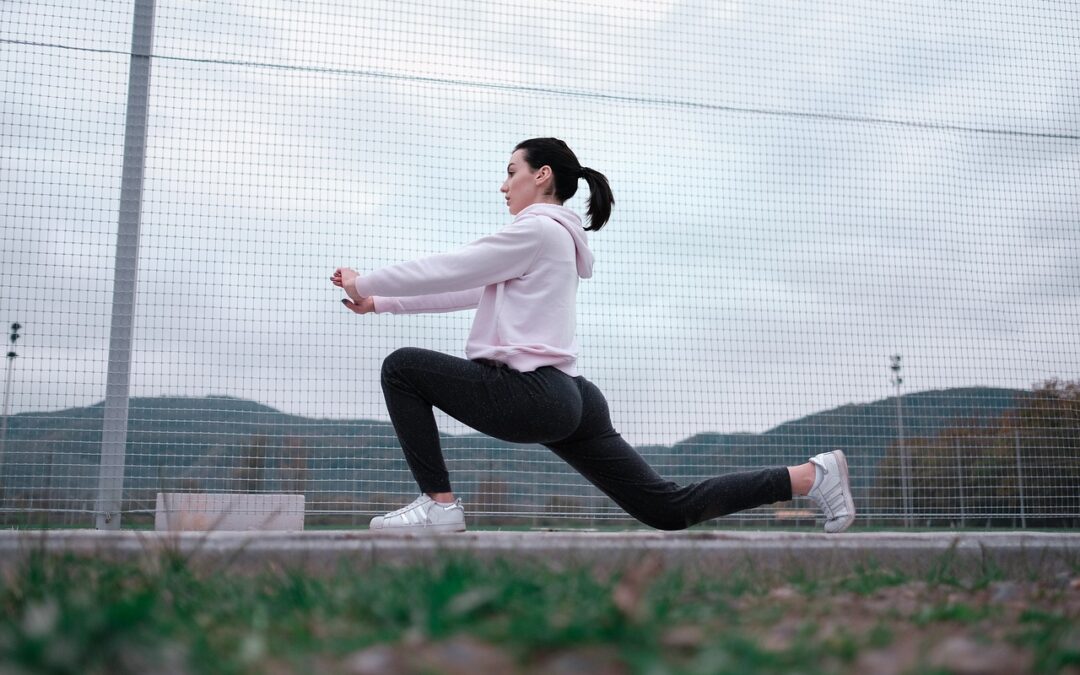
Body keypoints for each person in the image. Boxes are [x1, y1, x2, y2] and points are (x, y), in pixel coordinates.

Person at [332, 137, 855, 534]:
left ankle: (439, 506)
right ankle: (809, 476)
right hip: (573, 398)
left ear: (541, 176)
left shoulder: (535, 230)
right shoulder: (552, 239)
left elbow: (455, 268)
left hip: (531, 393)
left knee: (401, 368)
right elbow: (471, 289)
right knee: (664, 508)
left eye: (510, 172)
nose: (503, 184)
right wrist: (381, 302)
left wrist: (368, 279)